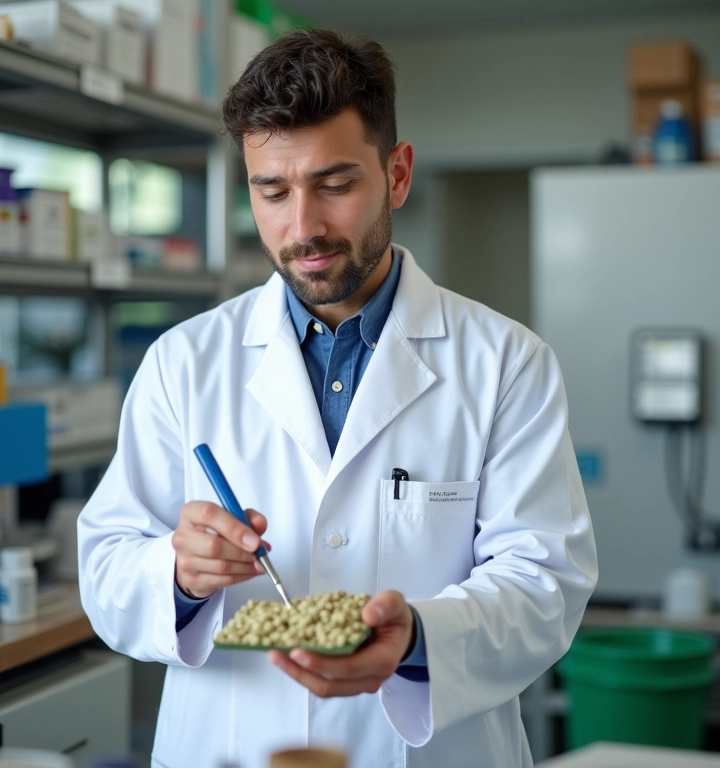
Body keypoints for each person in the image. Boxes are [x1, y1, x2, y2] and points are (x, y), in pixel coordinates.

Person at [78, 28, 597, 768]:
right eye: (273, 191)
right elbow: (106, 567)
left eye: (335, 183)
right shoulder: (182, 363)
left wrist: (417, 639)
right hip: (233, 747)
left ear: (398, 173)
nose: (304, 228)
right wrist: (179, 573)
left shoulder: (506, 362)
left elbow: (545, 583)